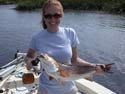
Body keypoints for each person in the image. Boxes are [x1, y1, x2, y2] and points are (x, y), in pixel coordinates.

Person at [24, 0, 105, 94]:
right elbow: (29, 56)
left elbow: (75, 59)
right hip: (45, 89)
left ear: (62, 15)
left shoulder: (70, 33)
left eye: (56, 15)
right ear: (44, 17)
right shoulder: (37, 37)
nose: (53, 19)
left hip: (69, 89)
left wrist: (94, 66)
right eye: (48, 16)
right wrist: (29, 62)